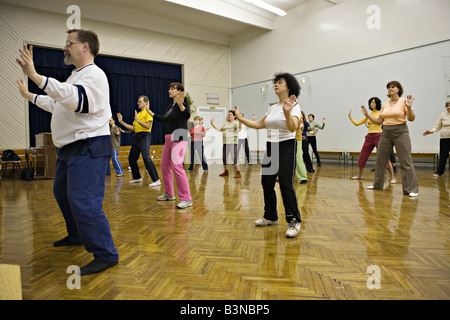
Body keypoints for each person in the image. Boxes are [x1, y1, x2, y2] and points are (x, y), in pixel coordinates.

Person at [16, 29, 118, 275]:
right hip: (69, 150)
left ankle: (106, 254)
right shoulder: (74, 77)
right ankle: (77, 235)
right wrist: (29, 95)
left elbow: (77, 101)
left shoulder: (94, 74)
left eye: (68, 43)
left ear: (84, 46)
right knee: (62, 193)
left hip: (88, 147)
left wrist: (36, 77)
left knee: (85, 202)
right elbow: (56, 103)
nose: (64, 47)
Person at [235, 72, 302, 238]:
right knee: (267, 182)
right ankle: (270, 216)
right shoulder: (272, 108)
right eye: (275, 83)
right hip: (271, 147)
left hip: (286, 146)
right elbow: (258, 124)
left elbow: (293, 128)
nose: (276, 85)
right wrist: (240, 118)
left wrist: (287, 112)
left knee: (286, 184)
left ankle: (294, 220)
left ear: (289, 86)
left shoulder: (294, 106)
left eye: (280, 82)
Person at [362, 81, 419, 197]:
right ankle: (377, 185)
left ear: (399, 89)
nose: (390, 89)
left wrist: (409, 107)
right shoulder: (385, 104)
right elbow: (379, 121)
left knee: (405, 160)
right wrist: (367, 115)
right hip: (386, 131)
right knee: (380, 159)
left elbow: (411, 118)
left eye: (393, 87)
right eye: (388, 87)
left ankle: (411, 189)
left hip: (401, 131)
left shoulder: (404, 101)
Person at [144, 82, 193, 209]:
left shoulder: (181, 105)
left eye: (172, 89)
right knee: (165, 167)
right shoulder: (171, 106)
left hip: (179, 137)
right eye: (169, 88)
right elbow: (163, 119)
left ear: (180, 92)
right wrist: (149, 111)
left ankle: (187, 199)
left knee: (177, 167)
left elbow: (186, 114)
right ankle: (169, 193)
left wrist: (181, 105)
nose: (169, 90)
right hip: (168, 139)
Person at [348, 97, 396, 183]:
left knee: (384, 157)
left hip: (379, 136)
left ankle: (393, 177)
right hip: (369, 136)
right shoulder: (368, 115)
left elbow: (384, 122)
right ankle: (360, 175)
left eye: (373, 102)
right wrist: (350, 116)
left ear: (377, 104)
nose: (371, 104)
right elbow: (357, 123)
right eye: (370, 102)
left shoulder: (381, 113)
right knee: (363, 155)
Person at [117, 96, 161, 187]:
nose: (138, 103)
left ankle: (156, 180)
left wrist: (138, 121)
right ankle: (137, 177)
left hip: (145, 136)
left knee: (146, 157)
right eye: (138, 101)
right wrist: (121, 122)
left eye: (140, 101)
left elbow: (148, 126)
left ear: (146, 102)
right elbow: (133, 128)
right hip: (137, 136)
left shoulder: (147, 113)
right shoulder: (139, 114)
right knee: (132, 158)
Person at [210, 110, 242, 178]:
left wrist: (240, 121)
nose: (229, 115)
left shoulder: (235, 123)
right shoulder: (226, 124)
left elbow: (239, 129)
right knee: (224, 158)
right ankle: (226, 171)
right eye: (228, 114)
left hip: (232, 143)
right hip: (225, 143)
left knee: (234, 158)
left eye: (230, 114)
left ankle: (238, 172)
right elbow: (219, 129)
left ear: (234, 116)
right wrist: (212, 124)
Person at [423, 101, 450, 176]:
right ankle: (440, 172)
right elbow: (437, 126)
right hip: (444, 138)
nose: (449, 107)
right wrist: (431, 131)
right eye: (447, 106)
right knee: (443, 156)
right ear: (446, 107)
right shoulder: (442, 115)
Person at [295, 112, 307, 184]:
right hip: (284, 137)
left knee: (298, 157)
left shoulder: (298, 112)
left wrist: (300, 126)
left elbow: (301, 125)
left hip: (296, 137)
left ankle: (302, 177)